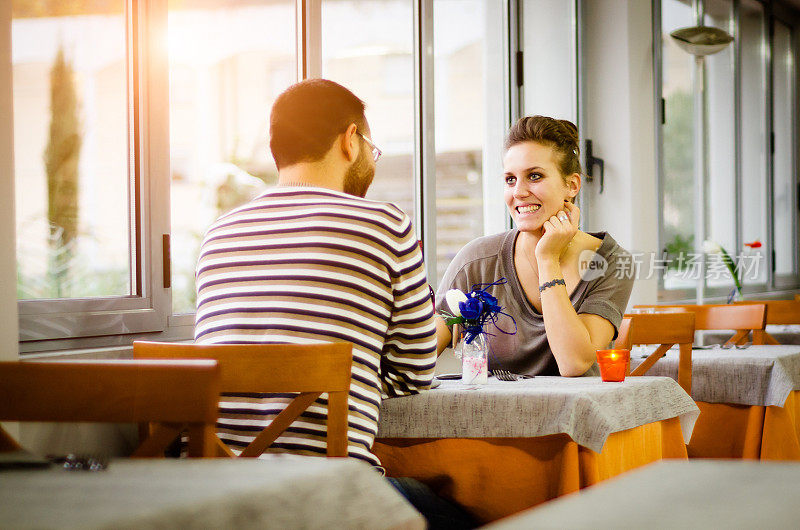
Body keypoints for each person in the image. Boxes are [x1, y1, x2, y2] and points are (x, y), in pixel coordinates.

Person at [195, 79, 475, 529]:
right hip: (328, 497)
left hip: (220, 498)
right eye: (371, 148)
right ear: (350, 141)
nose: (371, 160)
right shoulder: (384, 224)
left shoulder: (219, 234)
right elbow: (417, 372)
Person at [435, 116, 634, 376]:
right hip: (493, 415)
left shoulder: (611, 262)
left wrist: (548, 259)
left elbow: (574, 363)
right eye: (510, 179)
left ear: (571, 185)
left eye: (535, 176)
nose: (518, 192)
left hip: (576, 414)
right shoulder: (476, 261)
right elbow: (417, 353)